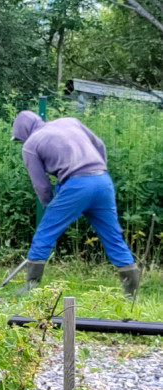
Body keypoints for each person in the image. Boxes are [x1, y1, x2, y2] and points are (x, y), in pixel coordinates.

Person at [11, 110, 139, 297]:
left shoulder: (30, 145)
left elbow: (41, 186)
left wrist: (51, 207)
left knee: (45, 232)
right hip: (103, 181)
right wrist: (97, 170)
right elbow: (100, 145)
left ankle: (30, 288)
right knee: (113, 237)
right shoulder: (70, 122)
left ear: (23, 132)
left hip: (76, 185)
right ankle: (132, 296)